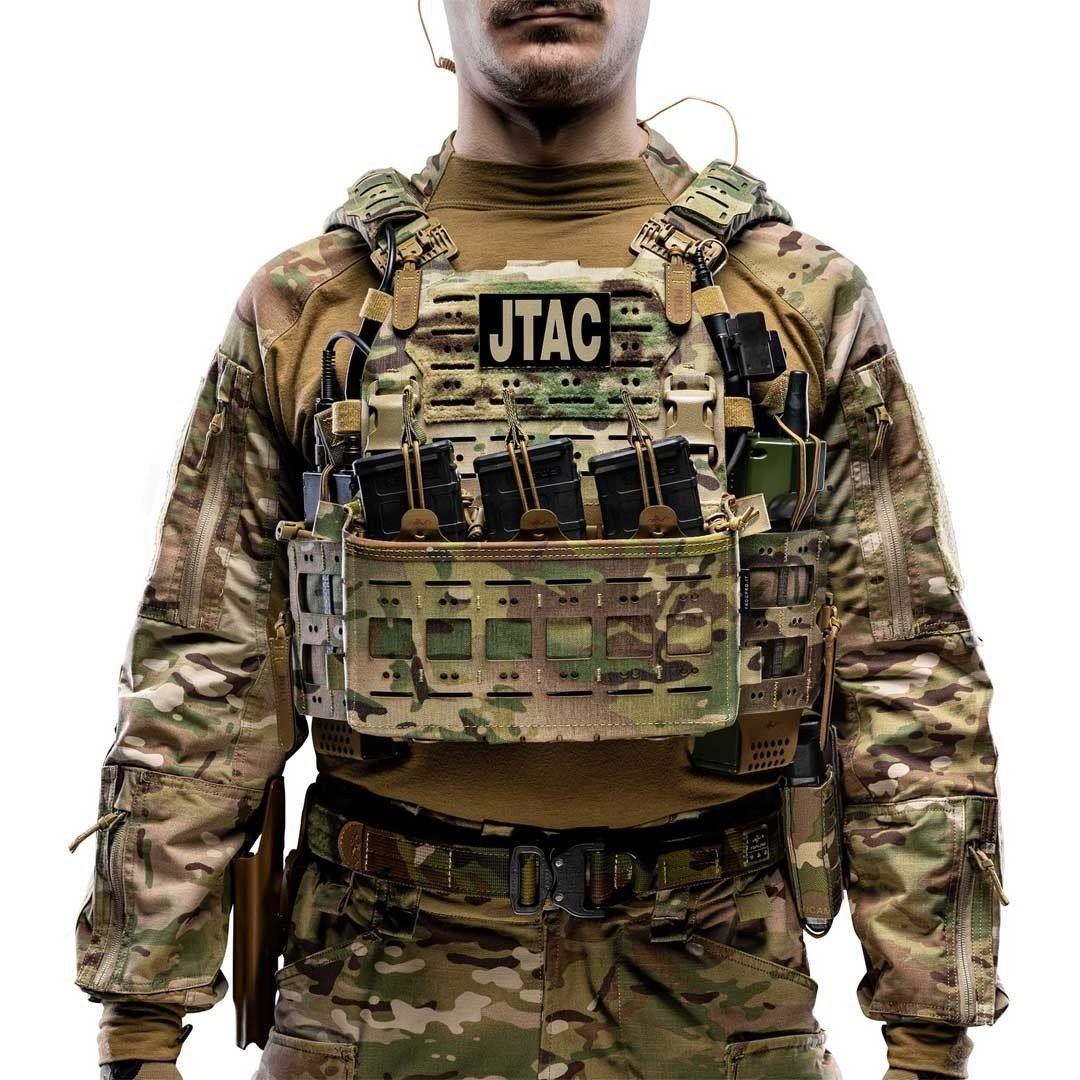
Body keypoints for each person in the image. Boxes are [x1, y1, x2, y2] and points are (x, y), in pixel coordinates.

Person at [73, 2, 1007, 1077]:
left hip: (713, 984)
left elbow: (905, 664)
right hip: (376, 981)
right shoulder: (310, 306)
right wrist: (141, 1024)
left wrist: (928, 1033)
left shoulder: (802, 299)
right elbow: (206, 662)